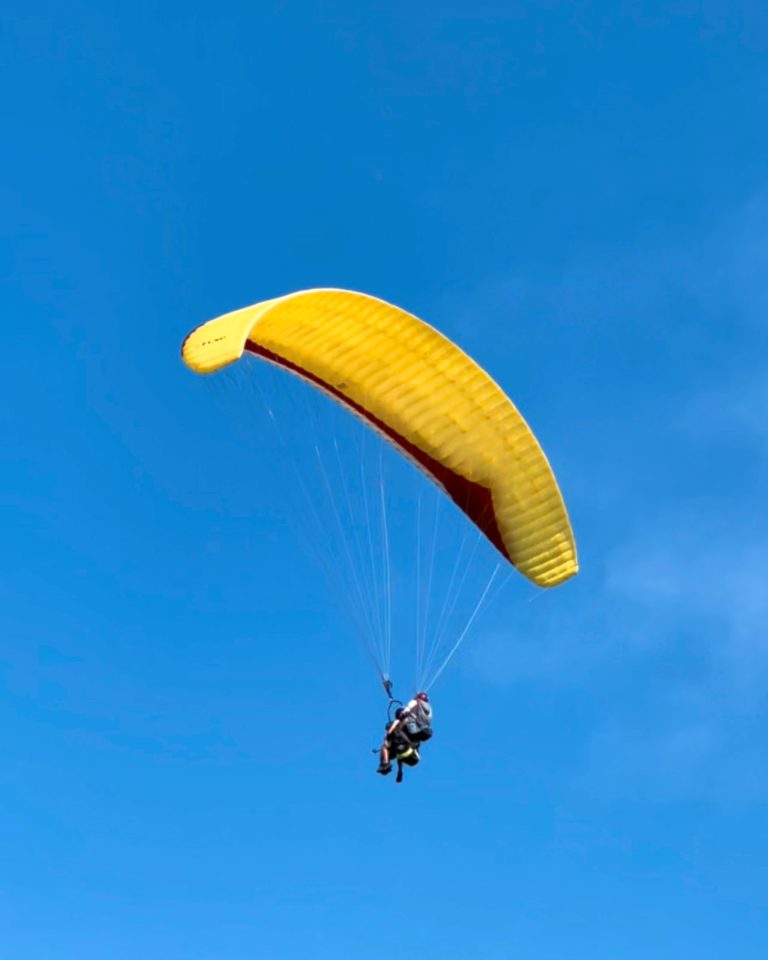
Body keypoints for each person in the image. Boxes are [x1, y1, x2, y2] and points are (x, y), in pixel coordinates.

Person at [377, 692, 433, 782]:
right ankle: (421, 733)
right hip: (413, 756)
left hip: (407, 753)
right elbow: (400, 757)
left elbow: (390, 733)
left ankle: (385, 764)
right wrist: (399, 772)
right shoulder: (409, 721)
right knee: (410, 738)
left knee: (385, 746)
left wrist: (388, 735)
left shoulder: (397, 723)